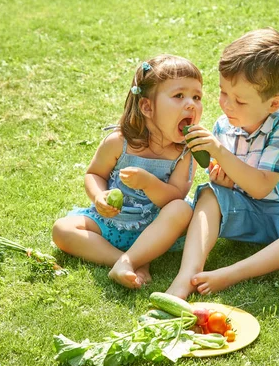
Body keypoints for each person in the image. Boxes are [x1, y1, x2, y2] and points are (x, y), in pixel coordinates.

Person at [166, 28, 279, 298]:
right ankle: (186, 275)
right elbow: (237, 181)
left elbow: (260, 187)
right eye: (223, 93)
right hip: (246, 211)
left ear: (273, 103)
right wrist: (224, 180)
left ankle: (232, 273)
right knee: (210, 194)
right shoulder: (225, 125)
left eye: (240, 100)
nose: (226, 105)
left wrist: (220, 153)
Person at [53, 54, 203, 289]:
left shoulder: (185, 153)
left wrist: (148, 183)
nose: (191, 104)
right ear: (146, 106)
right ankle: (126, 261)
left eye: (197, 96)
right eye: (179, 96)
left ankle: (133, 258)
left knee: (182, 209)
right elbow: (94, 174)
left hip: (156, 229)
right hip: (110, 225)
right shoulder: (118, 142)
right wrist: (99, 197)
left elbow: (175, 197)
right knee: (62, 229)